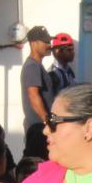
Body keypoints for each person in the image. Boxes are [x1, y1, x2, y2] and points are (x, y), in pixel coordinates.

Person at [21, 26, 54, 159]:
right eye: (45, 42)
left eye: (49, 41)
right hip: (38, 127)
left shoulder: (36, 65)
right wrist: (47, 121)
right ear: (33, 43)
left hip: (39, 126)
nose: (49, 45)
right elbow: (33, 95)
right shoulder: (32, 66)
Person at [47, 33, 78, 106]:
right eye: (69, 50)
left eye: (73, 49)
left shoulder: (69, 70)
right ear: (57, 51)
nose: (73, 53)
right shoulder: (52, 74)